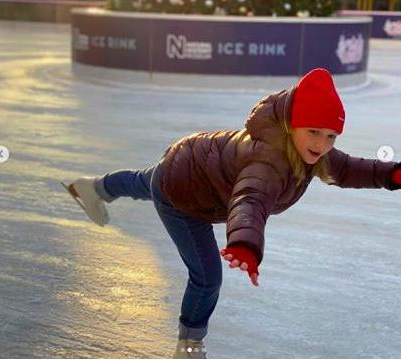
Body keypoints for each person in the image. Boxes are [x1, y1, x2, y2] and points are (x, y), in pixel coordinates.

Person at [63, 68, 401, 359]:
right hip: (184, 195)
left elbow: (350, 168)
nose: (322, 144)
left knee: (142, 182)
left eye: (330, 135)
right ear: (292, 124)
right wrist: (244, 244)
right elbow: (250, 200)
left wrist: (392, 175)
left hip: (188, 159)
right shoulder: (269, 161)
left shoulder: (312, 151)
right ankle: (189, 346)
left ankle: (91, 188)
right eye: (313, 131)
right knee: (207, 276)